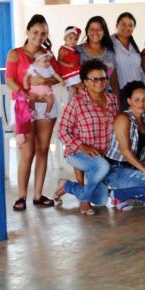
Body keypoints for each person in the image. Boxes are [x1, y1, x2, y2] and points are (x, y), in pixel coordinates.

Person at [5, 15, 61, 210]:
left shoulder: (48, 55)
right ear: (28, 31)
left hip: (45, 104)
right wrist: (26, 95)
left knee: (43, 149)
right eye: (35, 32)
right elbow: (9, 79)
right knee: (27, 152)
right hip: (24, 105)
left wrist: (44, 81)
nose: (39, 36)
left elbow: (57, 77)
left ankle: (38, 194)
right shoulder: (15, 54)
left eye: (43, 33)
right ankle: (21, 196)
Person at [54, 60, 119, 216]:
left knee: (101, 200)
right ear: (85, 82)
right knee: (102, 166)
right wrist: (82, 146)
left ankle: (67, 185)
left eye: (103, 78)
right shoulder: (76, 103)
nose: (99, 82)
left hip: (102, 155)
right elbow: (62, 131)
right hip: (77, 152)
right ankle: (84, 201)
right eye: (94, 79)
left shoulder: (112, 100)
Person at [100, 82, 145, 210]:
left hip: (134, 166)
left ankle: (128, 191)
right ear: (129, 101)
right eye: (137, 100)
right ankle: (117, 194)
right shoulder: (123, 118)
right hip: (117, 168)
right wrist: (144, 170)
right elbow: (125, 150)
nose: (141, 103)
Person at [77, 16, 119, 92]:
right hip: (83, 96)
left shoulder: (110, 54)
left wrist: (116, 99)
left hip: (105, 96)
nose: (95, 32)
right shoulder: (77, 50)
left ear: (104, 32)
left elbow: (113, 81)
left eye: (99, 29)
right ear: (87, 31)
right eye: (92, 29)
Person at [112, 12, 145, 91]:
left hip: (138, 91)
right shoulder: (109, 44)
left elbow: (140, 71)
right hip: (120, 91)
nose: (127, 28)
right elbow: (108, 71)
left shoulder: (134, 47)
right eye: (123, 24)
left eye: (130, 25)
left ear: (133, 28)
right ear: (117, 25)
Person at [23, 52, 62, 118]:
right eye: (45, 61)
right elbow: (26, 76)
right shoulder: (33, 68)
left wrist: (61, 81)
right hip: (35, 90)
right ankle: (33, 111)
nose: (48, 63)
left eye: (49, 61)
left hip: (46, 90)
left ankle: (47, 113)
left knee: (51, 101)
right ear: (38, 61)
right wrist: (25, 84)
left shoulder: (49, 68)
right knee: (31, 99)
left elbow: (55, 75)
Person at [56, 26, 82, 95]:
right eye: (70, 38)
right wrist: (68, 65)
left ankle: (78, 98)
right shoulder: (63, 49)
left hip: (74, 69)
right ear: (65, 38)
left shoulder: (74, 49)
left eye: (76, 39)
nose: (73, 41)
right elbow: (59, 61)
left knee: (78, 88)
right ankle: (77, 97)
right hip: (69, 71)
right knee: (78, 86)